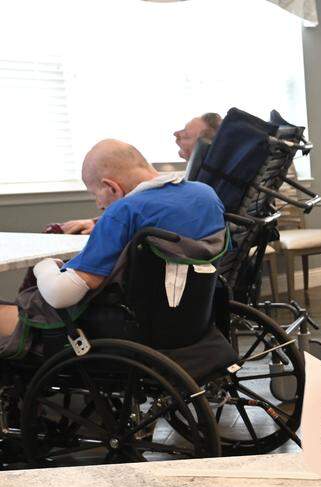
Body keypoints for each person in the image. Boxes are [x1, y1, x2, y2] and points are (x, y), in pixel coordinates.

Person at [0, 140, 226, 358]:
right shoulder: (205, 195)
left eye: (94, 194)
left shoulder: (124, 211)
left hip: (122, 327)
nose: (98, 204)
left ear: (111, 187)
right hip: (188, 320)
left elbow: (61, 295)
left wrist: (45, 266)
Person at [59, 112, 223, 236]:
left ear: (207, 146)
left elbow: (165, 217)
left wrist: (108, 223)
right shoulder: (196, 186)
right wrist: (98, 222)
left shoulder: (205, 190)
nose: (176, 135)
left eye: (185, 134)